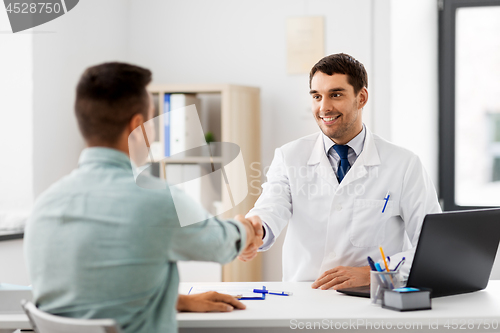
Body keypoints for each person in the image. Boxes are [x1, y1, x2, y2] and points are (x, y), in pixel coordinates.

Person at [24, 62, 262, 333]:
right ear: (137, 126)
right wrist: (245, 228)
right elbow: (222, 245)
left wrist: (176, 301)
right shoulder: (156, 200)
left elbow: (90, 301)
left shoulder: (45, 206)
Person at [244, 53, 441, 290]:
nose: (324, 107)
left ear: (362, 97)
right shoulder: (289, 156)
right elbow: (270, 207)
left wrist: (376, 273)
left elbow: (432, 246)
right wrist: (256, 230)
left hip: (373, 299)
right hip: (306, 298)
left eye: (335, 95)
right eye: (317, 96)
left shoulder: (404, 164)